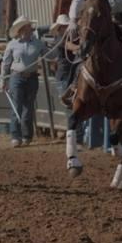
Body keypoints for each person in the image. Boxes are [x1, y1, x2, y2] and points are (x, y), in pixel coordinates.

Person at [0, 16, 48, 147]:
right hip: (16, 77)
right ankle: (16, 136)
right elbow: (6, 63)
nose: (28, 29)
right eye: (25, 26)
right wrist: (2, 79)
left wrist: (59, 44)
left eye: (28, 26)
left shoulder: (38, 43)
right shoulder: (12, 44)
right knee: (16, 107)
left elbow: (49, 54)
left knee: (28, 108)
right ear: (20, 29)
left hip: (32, 78)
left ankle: (27, 136)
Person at [50, 14, 85, 146]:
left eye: (67, 26)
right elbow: (70, 46)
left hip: (71, 77)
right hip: (65, 77)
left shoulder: (69, 38)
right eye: (64, 27)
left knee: (75, 106)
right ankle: (75, 137)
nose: (66, 28)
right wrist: (83, 45)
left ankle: (76, 137)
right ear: (59, 29)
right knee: (71, 107)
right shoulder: (59, 39)